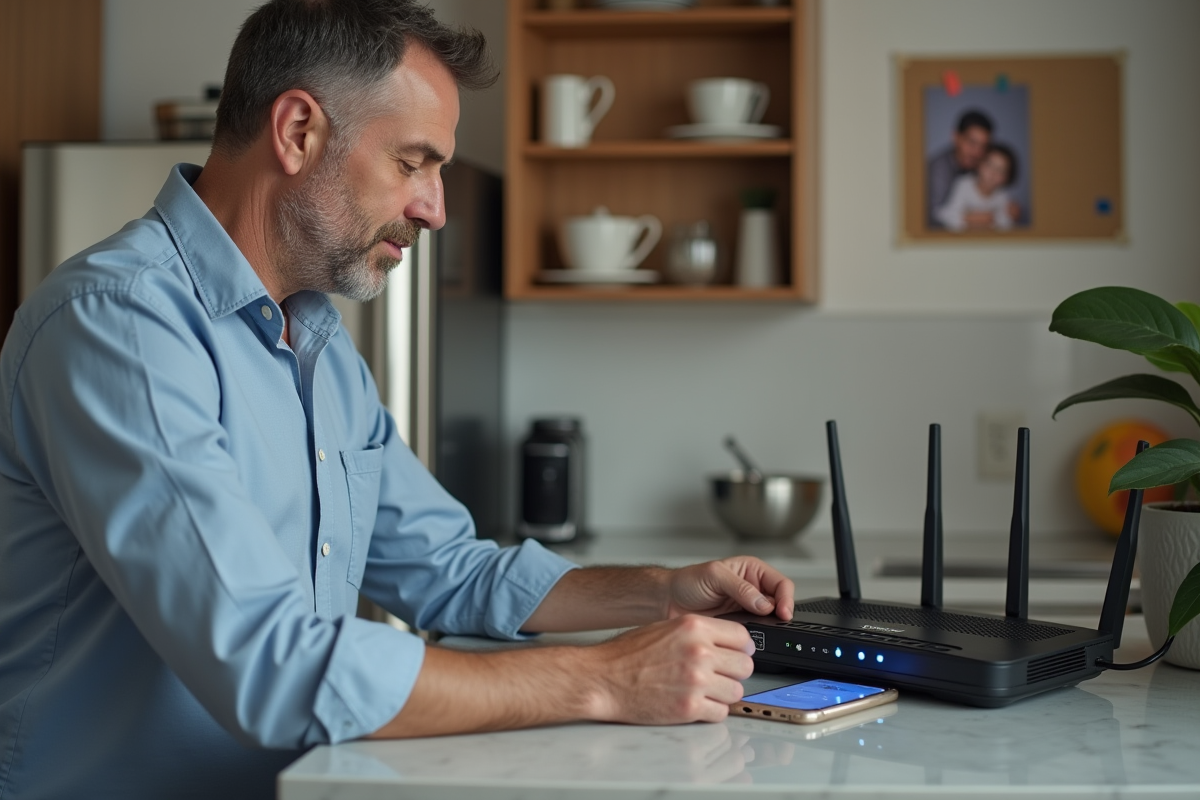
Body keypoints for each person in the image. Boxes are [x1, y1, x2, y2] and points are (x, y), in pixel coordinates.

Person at [0, 2, 794, 798]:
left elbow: (450, 572)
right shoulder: (119, 326)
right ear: (298, 131)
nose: (435, 208)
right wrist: (604, 679)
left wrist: (660, 591)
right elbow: (267, 662)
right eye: (414, 162)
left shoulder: (318, 346)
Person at [926, 109, 993, 228]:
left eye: (983, 147)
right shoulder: (937, 170)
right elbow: (933, 218)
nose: (977, 152)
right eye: (972, 143)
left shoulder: (981, 168)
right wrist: (971, 218)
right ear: (955, 137)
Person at [934, 142, 1019, 232]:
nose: (993, 173)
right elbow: (946, 215)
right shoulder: (963, 185)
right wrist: (970, 219)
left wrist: (1012, 216)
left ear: (1006, 178)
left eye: (1000, 170)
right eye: (989, 165)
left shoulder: (1002, 196)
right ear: (979, 164)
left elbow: (1006, 224)